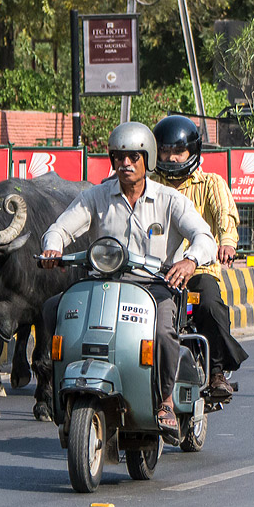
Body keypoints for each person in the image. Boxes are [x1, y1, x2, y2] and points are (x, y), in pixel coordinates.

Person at [39, 122, 217, 435]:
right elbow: (60, 228)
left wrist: (190, 261)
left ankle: (165, 402)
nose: (125, 164)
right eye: (119, 157)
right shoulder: (96, 196)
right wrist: (53, 247)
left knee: (163, 331)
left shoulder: (169, 200)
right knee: (53, 310)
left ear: (146, 159)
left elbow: (204, 235)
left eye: (133, 157)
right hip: (102, 285)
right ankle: (56, 392)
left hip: (154, 288)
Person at [150, 115, 249, 398]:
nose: (171, 158)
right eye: (165, 151)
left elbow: (225, 216)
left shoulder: (210, 184)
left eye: (178, 151)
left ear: (192, 152)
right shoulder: (150, 183)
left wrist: (227, 243)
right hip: (154, 271)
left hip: (199, 270)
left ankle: (217, 372)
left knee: (208, 305)